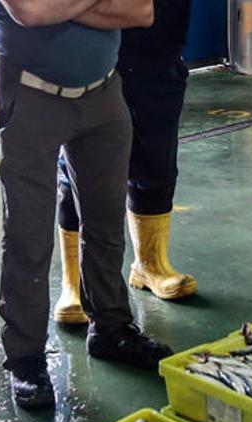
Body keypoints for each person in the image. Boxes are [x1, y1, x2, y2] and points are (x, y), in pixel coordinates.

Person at [0, 0, 174, 409]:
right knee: (27, 233)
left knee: (106, 221)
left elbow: (141, 11)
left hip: (103, 92)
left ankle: (111, 329)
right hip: (31, 92)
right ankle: (25, 357)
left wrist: (58, 4)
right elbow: (29, 11)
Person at [53, 0, 195, 325]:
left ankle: (150, 265)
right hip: (93, 54)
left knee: (156, 160)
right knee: (78, 172)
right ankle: (74, 283)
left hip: (161, 49)